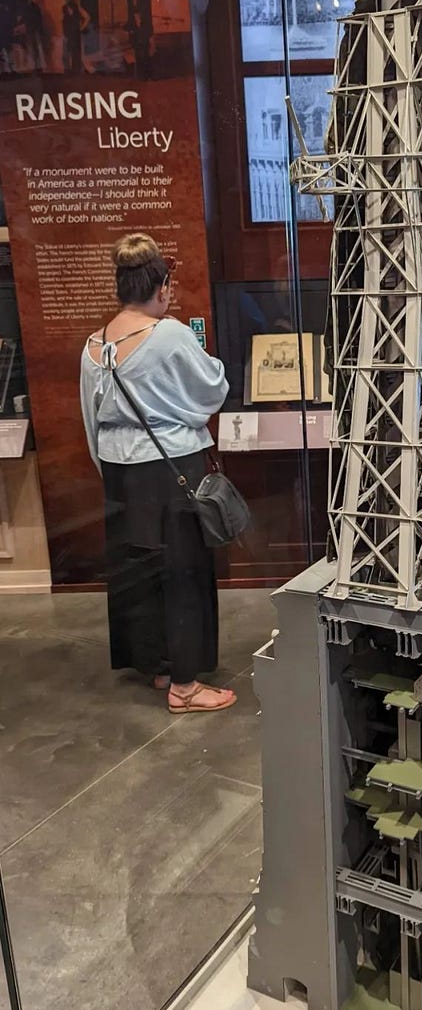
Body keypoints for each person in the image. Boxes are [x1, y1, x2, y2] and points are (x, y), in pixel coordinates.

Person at [80, 233, 236, 713]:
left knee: (140, 574)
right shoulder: (167, 333)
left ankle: (161, 667)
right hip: (171, 469)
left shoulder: (94, 346)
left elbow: (90, 420)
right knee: (182, 574)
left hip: (120, 474)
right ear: (163, 285)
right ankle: (185, 687)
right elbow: (212, 388)